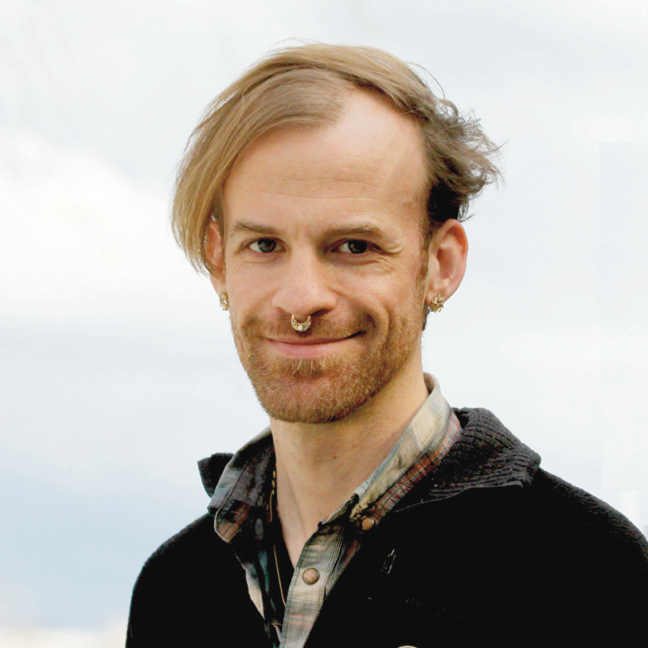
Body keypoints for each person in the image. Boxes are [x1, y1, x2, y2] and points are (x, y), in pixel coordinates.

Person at [126, 44, 648, 647]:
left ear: (440, 265)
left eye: (353, 247)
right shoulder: (175, 592)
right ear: (219, 262)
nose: (299, 301)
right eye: (264, 246)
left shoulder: (590, 578)